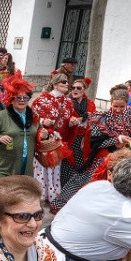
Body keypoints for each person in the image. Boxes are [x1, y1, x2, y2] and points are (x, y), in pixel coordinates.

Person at [52, 85, 131, 209]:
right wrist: (117, 139)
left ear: (126, 104)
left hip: (122, 159)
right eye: (115, 106)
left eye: (122, 107)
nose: (118, 110)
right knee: (90, 184)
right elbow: (95, 144)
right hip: (102, 158)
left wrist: (125, 143)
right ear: (111, 103)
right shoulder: (101, 118)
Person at [31, 74, 75, 204]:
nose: (67, 84)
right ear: (55, 84)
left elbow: (70, 117)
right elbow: (32, 117)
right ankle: (40, 194)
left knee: (55, 168)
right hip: (45, 140)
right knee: (43, 167)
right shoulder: (42, 99)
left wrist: (72, 121)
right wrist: (43, 120)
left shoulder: (68, 102)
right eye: (63, 82)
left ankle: (52, 195)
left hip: (60, 142)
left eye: (67, 82)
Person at [0, 74, 38, 179]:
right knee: (4, 194)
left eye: (25, 97)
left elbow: (38, 135)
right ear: (11, 98)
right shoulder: (2, 115)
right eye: (18, 97)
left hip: (26, 167)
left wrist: (44, 135)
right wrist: (0, 138)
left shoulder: (34, 116)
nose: (22, 100)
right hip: (6, 167)